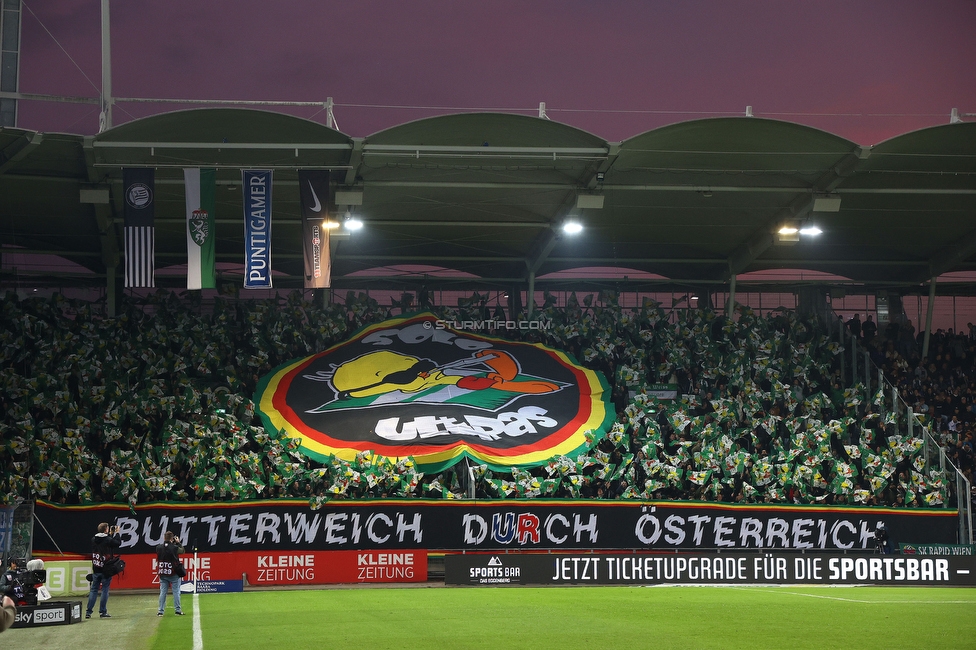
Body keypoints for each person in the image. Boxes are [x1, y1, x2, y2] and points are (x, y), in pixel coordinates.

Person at [87, 522, 121, 619]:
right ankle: (103, 612)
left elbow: (106, 541)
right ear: (106, 529)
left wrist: (110, 534)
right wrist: (117, 533)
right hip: (106, 568)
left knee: (93, 590)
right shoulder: (107, 539)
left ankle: (88, 612)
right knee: (105, 590)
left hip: (96, 567)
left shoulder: (94, 539)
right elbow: (117, 543)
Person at [155, 531, 185, 617]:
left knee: (163, 592)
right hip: (173, 572)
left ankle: (160, 611)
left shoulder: (158, 547)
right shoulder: (175, 548)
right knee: (176, 591)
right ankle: (178, 610)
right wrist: (178, 543)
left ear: (164, 538)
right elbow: (182, 551)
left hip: (162, 572)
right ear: (172, 539)